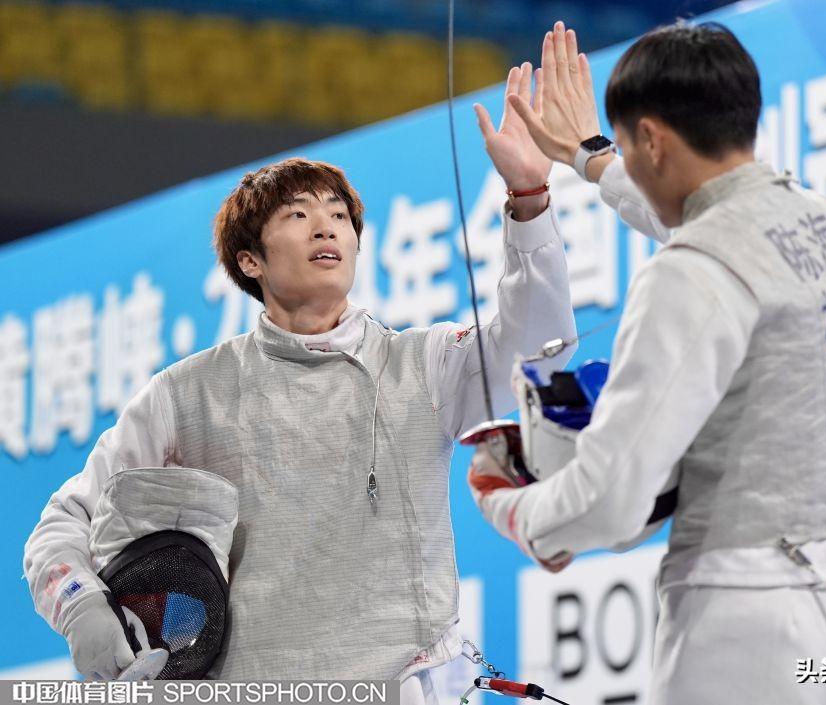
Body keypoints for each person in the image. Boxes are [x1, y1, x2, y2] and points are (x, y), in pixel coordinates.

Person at [23, 62, 576, 702]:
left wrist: (529, 199)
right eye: (298, 214)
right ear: (250, 260)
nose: (326, 227)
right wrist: (80, 605)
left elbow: (536, 355)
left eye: (339, 215)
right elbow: (63, 521)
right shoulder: (188, 394)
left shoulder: (424, 363)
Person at [469, 21, 826, 705]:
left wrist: (514, 508)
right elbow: (718, 225)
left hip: (752, 630)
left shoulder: (690, 272)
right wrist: (590, 155)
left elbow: (611, 500)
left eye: (628, 147)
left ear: (652, 139)